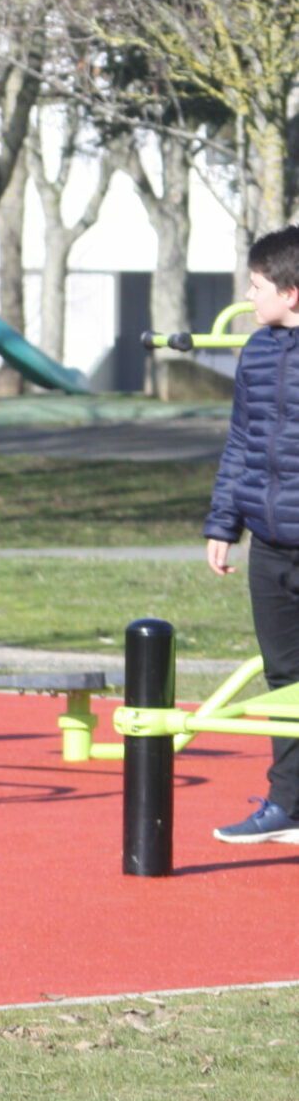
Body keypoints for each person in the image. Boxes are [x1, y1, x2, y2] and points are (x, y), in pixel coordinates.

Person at [204, 226, 299, 846]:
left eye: (258, 285)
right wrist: (223, 522)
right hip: (269, 542)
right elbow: (241, 441)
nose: (249, 293)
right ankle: (289, 803)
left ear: (292, 292)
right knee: (284, 678)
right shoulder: (259, 352)